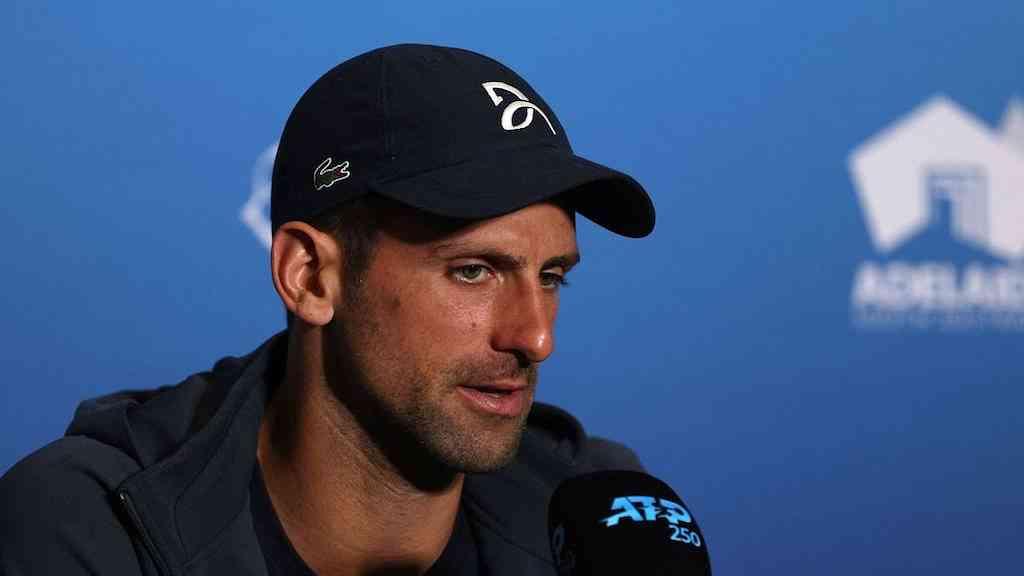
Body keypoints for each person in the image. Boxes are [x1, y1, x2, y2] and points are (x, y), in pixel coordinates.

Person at [0, 44, 656, 575]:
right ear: (310, 276)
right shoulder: (90, 525)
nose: (536, 338)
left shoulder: (609, 518)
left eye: (552, 278)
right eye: (473, 271)